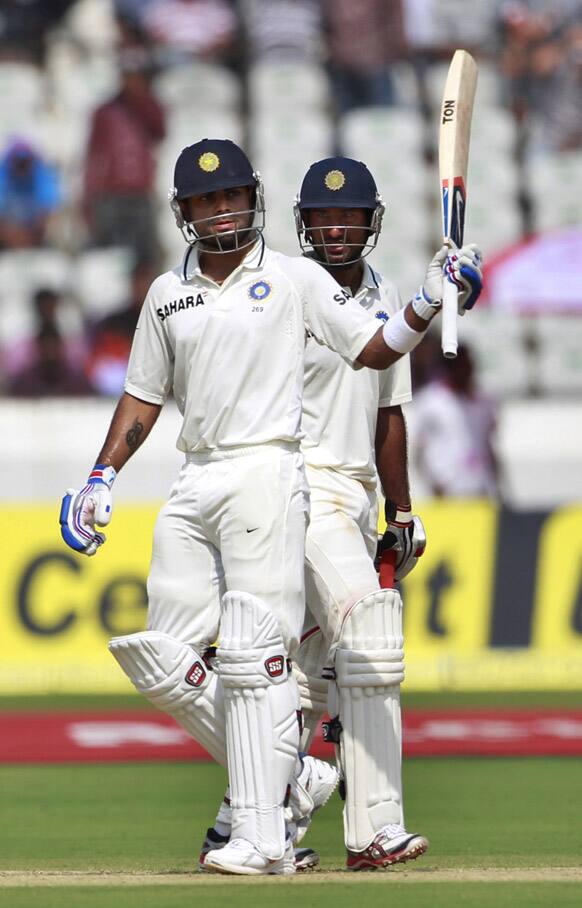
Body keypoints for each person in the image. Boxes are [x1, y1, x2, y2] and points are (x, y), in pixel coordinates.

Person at [59, 138, 479, 876]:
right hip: (204, 479)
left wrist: (424, 301)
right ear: (185, 211)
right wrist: (101, 476)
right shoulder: (170, 293)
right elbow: (144, 393)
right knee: (166, 657)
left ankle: (280, 833)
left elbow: (378, 364)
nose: (222, 211)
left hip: (275, 471)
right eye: (206, 200)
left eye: (232, 196)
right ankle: (289, 779)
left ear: (253, 199)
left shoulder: (293, 281)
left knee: (275, 659)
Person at [198, 156, 484, 870]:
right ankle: (374, 829)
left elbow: (389, 410)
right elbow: (370, 350)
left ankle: (256, 816)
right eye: (321, 217)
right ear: (302, 223)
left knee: (311, 674)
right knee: (371, 629)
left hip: (352, 498)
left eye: (347, 215)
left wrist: (404, 511)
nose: (333, 228)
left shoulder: (381, 289)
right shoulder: (291, 290)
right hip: (301, 486)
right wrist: (429, 302)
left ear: (368, 221)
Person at [82, 46, 165, 262]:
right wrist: (90, 196)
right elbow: (94, 156)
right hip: (111, 192)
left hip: (140, 192)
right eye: (128, 76)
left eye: (137, 77)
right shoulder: (105, 112)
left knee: (144, 254)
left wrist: (141, 101)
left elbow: (160, 132)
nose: (132, 82)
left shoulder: (150, 107)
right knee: (111, 253)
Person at [410, 342, 498, 498]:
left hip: (480, 490)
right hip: (447, 493)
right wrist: (433, 484)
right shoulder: (429, 401)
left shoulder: (484, 402)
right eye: (462, 365)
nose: (467, 370)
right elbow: (419, 450)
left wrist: (497, 484)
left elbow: (489, 446)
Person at [86, 260, 159, 397]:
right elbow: (98, 368)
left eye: (146, 281)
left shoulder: (166, 321)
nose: (142, 286)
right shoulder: (113, 323)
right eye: (138, 280)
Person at [0, 139, 62, 249]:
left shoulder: (42, 176)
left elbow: (51, 211)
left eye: (25, 162)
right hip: (7, 237)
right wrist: (11, 235)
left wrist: (33, 234)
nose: (22, 167)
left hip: (35, 235)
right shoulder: (3, 176)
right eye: (18, 162)